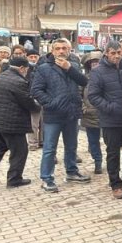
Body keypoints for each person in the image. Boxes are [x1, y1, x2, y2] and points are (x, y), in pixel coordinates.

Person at [29, 38, 91, 193]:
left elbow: (84, 82)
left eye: (64, 48)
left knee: (71, 145)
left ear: (69, 50)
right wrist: (50, 103)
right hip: (53, 114)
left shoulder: (74, 65)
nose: (61, 51)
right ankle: (47, 178)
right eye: (58, 48)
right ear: (52, 50)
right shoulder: (43, 68)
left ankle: (71, 171)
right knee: (50, 148)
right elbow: (36, 90)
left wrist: (70, 68)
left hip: (71, 113)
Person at [0, 56, 40, 188]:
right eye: (26, 69)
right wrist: (38, 107)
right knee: (20, 151)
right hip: (11, 122)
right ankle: (14, 179)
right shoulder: (19, 81)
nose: (27, 72)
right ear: (22, 68)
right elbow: (27, 102)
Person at [89, 41, 122, 197]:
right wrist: (110, 108)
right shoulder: (98, 71)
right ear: (106, 54)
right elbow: (93, 96)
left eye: (118, 52)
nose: (116, 56)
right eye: (113, 53)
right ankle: (116, 184)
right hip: (111, 120)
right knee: (113, 153)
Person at [79, 51, 104, 176]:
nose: (95, 65)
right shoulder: (85, 79)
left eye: (97, 62)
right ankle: (97, 161)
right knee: (93, 141)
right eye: (93, 63)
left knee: (110, 141)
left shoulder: (107, 77)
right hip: (89, 114)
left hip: (105, 114)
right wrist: (83, 107)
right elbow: (79, 95)